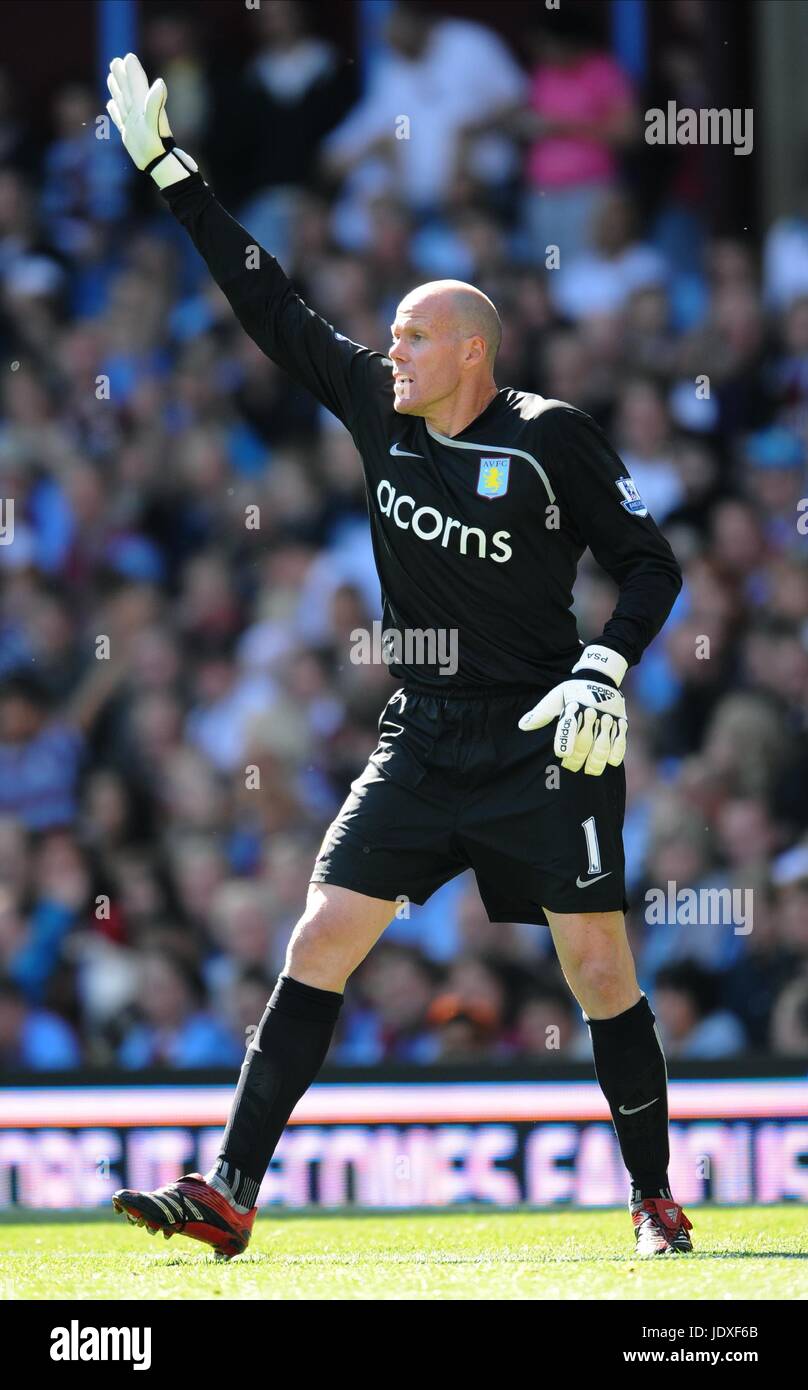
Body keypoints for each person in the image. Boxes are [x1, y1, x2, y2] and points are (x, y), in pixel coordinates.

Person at [105, 54, 689, 1260]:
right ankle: (230, 1191)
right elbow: (270, 305)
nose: (392, 353)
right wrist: (173, 172)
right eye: (391, 340)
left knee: (596, 968)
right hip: (424, 731)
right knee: (320, 934)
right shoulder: (382, 411)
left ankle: (653, 1198)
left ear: (470, 352)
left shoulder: (550, 442)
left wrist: (607, 669)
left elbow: (652, 566)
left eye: (414, 338)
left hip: (543, 732)